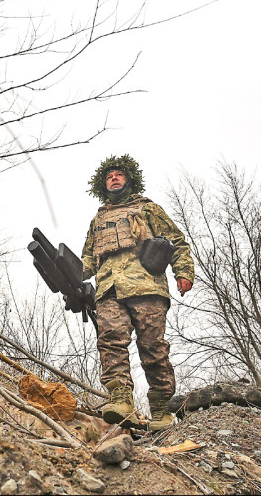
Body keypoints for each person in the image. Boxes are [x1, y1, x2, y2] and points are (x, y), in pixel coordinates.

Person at [81, 154, 194, 431]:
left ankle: (161, 410)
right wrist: (71, 276)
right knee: (110, 342)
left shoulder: (148, 209)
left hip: (146, 286)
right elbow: (87, 258)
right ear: (102, 185)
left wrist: (184, 272)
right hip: (109, 289)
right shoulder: (99, 219)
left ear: (129, 179)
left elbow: (177, 241)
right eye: (109, 176)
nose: (114, 179)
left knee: (152, 348)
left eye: (118, 174)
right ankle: (121, 401)